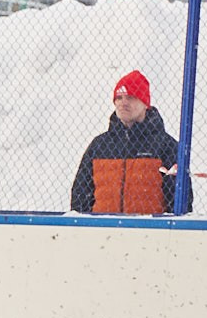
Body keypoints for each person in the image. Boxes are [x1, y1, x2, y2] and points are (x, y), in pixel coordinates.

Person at [70, 70, 191, 215]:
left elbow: (181, 201)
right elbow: (80, 195)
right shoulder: (99, 146)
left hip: (150, 233)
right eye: (119, 98)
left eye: (130, 97)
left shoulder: (166, 146)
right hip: (102, 232)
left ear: (145, 103)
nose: (123, 103)